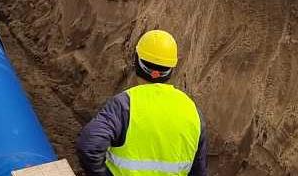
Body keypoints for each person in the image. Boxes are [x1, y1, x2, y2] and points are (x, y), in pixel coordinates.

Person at [76, 30, 208, 176]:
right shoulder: (193, 113)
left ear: (137, 62)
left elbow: (89, 146)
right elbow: (198, 171)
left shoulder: (124, 105)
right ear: (171, 68)